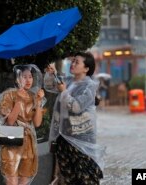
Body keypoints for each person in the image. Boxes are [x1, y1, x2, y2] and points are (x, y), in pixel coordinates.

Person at [44, 52, 106, 185]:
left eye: (77, 62)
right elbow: (49, 86)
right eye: (72, 61)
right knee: (68, 177)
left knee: (85, 178)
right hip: (64, 137)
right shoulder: (68, 81)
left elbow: (76, 107)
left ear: (86, 68)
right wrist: (52, 73)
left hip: (81, 140)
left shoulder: (89, 86)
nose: (73, 64)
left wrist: (64, 92)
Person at [0, 64, 46, 185]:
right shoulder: (9, 95)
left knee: (24, 181)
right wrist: (19, 100)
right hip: (12, 140)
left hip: (28, 143)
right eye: (24, 77)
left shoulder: (33, 97)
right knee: (11, 181)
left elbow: (37, 123)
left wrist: (39, 102)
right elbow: (9, 121)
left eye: (30, 76)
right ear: (17, 78)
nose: (28, 80)